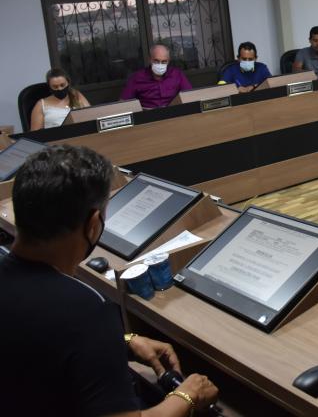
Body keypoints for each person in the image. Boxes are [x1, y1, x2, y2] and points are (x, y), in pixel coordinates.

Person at [0, 145, 219, 416]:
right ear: (93, 224)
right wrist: (188, 395)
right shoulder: (85, 310)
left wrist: (120, 341)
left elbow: (36, 339)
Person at [121, 44, 192, 109]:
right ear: (150, 59)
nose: (160, 65)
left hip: (174, 113)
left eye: (164, 61)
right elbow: (123, 104)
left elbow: (190, 96)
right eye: (156, 61)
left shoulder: (177, 74)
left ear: (168, 61)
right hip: (147, 115)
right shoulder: (136, 78)